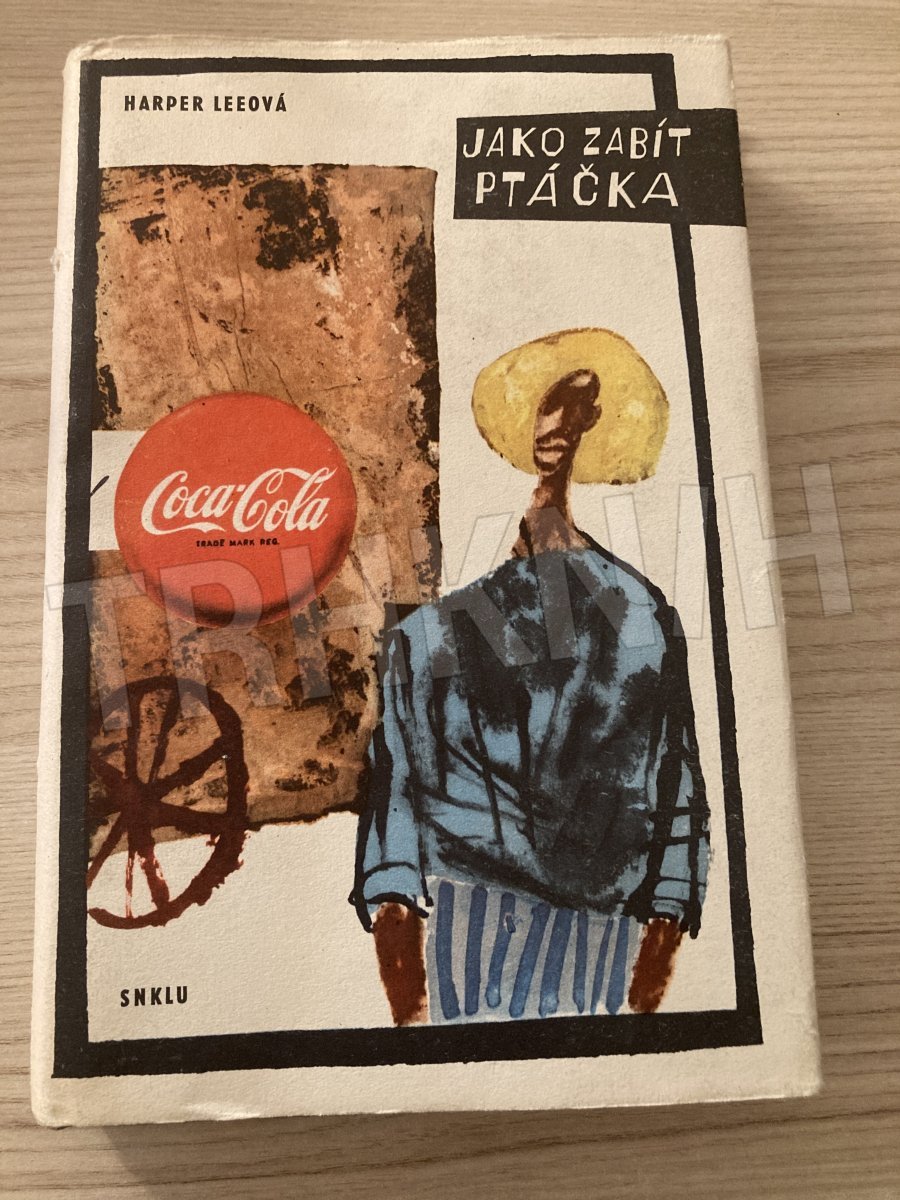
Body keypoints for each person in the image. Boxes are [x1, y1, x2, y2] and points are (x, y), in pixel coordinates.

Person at [351, 336, 709, 1026]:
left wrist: (654, 964)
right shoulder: (428, 634)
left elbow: (678, 786)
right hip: (467, 917)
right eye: (548, 406)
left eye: (575, 407)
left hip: (597, 930)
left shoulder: (641, 615)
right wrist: (409, 1006)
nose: (557, 424)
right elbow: (394, 805)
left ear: (594, 424)